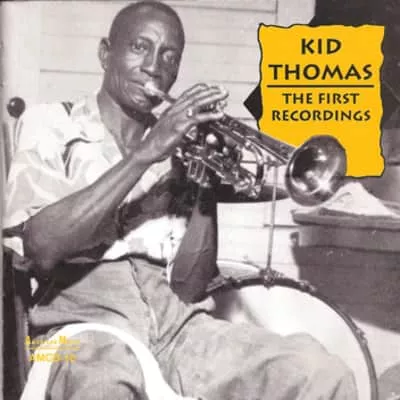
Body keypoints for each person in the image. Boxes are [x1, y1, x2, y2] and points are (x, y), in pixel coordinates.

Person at [4, 1, 358, 399]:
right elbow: (41, 247)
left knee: (318, 370)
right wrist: (147, 152)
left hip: (175, 327)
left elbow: (191, 285)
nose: (154, 66)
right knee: (105, 386)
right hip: (81, 327)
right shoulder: (52, 123)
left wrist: (204, 186)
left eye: (169, 56)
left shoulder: (179, 149)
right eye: (140, 47)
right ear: (106, 53)